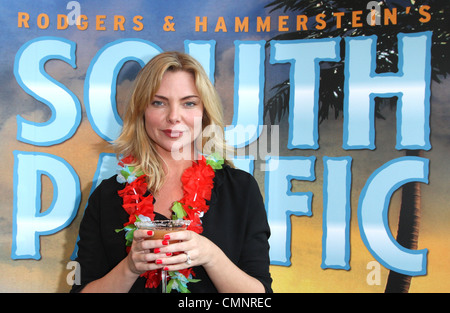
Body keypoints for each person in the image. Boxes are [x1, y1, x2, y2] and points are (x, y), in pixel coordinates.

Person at [71, 51, 272, 293]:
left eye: (189, 103)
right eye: (159, 102)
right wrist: (130, 268)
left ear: (204, 112)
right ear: (141, 110)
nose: (174, 117)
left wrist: (210, 256)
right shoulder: (108, 196)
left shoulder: (240, 190)